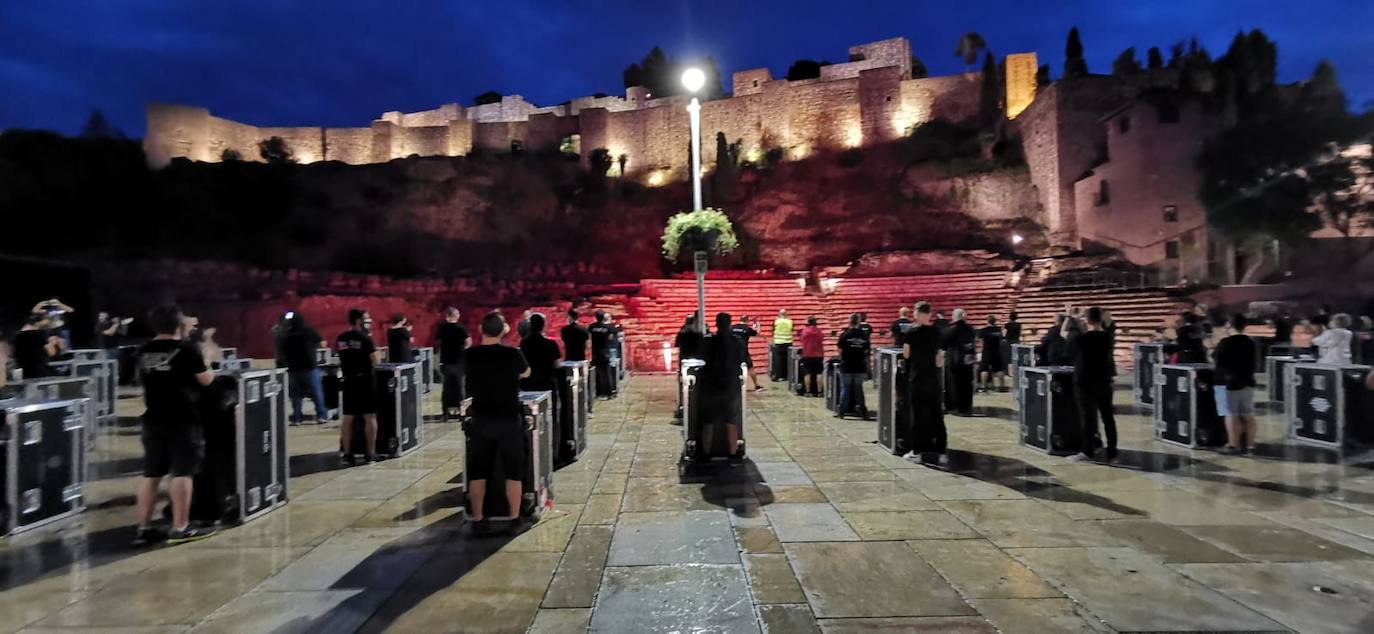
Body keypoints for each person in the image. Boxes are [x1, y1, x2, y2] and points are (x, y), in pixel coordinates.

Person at [132, 305, 216, 546]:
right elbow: (207, 380)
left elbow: (143, 378)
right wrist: (206, 357)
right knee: (182, 473)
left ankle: (144, 528)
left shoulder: (143, 350)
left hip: (152, 418)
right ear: (178, 324)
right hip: (182, 419)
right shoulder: (186, 350)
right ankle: (181, 527)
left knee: (152, 475)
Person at [464, 311, 531, 535]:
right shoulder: (512, 354)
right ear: (503, 330)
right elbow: (527, 372)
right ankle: (514, 518)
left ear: (481, 330)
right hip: (509, 419)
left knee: (478, 472)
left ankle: (478, 519)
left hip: (481, 419)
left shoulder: (470, 355)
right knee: (513, 472)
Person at [1066, 307, 1117, 462]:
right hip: (1104, 381)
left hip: (1085, 382)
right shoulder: (1108, 337)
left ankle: (1088, 451)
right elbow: (1107, 327)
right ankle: (1112, 451)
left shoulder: (1081, 339)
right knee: (1108, 417)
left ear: (1086, 320)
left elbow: (1064, 334)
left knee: (1087, 417)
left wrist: (1071, 318)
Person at [700, 312, 747, 463]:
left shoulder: (709, 341)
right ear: (729, 323)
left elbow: (702, 358)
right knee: (731, 420)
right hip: (731, 385)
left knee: (708, 421)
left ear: (716, 323)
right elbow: (742, 358)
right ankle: (732, 453)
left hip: (711, 384)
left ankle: (706, 453)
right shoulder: (737, 341)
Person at [903, 302, 946, 459]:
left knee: (918, 415)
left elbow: (906, 355)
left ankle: (917, 451)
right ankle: (941, 450)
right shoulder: (937, 332)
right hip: (933, 378)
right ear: (929, 314)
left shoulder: (911, 333)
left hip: (917, 378)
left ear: (917, 314)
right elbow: (939, 359)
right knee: (936, 415)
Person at [337, 309, 380, 465]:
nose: (368, 321)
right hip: (365, 382)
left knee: (348, 418)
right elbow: (376, 361)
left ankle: (347, 454)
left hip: (348, 381)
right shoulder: (365, 339)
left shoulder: (341, 338)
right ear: (358, 320)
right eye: (366, 318)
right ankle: (370, 453)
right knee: (369, 417)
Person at [1213, 314, 1258, 455]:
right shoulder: (1250, 342)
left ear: (1229, 325)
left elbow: (1216, 358)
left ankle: (1233, 445)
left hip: (1226, 383)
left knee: (1230, 414)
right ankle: (1250, 445)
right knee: (1248, 414)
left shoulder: (1225, 342)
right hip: (1247, 381)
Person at [282, 313, 330, 425]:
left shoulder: (288, 334)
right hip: (309, 367)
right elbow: (322, 344)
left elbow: (284, 351)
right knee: (316, 393)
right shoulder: (308, 331)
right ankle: (322, 416)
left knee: (296, 395)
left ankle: (297, 418)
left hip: (293, 368)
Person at [435, 307, 471, 421]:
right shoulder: (461, 328)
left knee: (446, 388)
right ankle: (462, 413)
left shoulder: (442, 328)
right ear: (456, 315)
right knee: (460, 387)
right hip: (459, 361)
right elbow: (468, 342)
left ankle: (445, 413)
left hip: (445, 361)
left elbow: (439, 342)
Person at [944, 309, 977, 416]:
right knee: (967, 385)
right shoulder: (971, 329)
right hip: (968, 361)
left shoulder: (950, 330)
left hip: (954, 362)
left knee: (954, 385)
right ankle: (966, 408)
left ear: (954, 317)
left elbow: (942, 343)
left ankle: (955, 407)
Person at [836, 314, 869, 418]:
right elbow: (867, 351)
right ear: (858, 322)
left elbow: (840, 351)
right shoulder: (864, 335)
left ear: (849, 321)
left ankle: (841, 412)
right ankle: (863, 412)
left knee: (845, 389)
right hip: (859, 367)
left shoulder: (844, 335)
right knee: (859, 390)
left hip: (846, 366)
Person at [12, 312, 62, 379]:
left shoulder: (16, 335)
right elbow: (51, 353)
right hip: (41, 372)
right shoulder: (41, 334)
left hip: (25, 373)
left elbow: (14, 354)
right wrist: (52, 343)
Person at [730, 315, 763, 391]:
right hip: (743, 351)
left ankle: (732, 385)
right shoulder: (747, 328)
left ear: (740, 319)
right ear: (747, 320)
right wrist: (758, 324)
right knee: (750, 368)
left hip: (733, 351)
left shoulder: (732, 327)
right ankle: (756, 385)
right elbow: (757, 333)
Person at [588, 311, 615, 397]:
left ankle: (599, 392)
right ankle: (609, 392)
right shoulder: (608, 328)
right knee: (607, 373)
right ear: (603, 317)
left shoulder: (592, 327)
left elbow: (589, 338)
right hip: (605, 352)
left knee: (597, 373)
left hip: (595, 352)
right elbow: (611, 338)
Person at [977, 315, 1005, 392]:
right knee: (999, 369)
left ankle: (983, 387)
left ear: (987, 321)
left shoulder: (984, 330)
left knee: (984, 369)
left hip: (987, 352)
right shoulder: (998, 330)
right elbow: (1001, 339)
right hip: (996, 351)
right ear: (994, 321)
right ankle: (1002, 386)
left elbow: (980, 340)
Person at [798, 316, 825, 396]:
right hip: (818, 354)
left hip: (807, 354)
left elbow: (801, 340)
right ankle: (819, 392)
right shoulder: (819, 331)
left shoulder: (804, 331)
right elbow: (822, 339)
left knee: (807, 373)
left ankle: (807, 391)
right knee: (819, 373)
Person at [770, 309, 794, 381]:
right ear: (786, 314)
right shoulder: (790, 321)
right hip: (788, 342)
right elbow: (792, 329)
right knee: (787, 360)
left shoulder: (776, 321)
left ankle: (778, 375)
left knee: (778, 360)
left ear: (779, 314)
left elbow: (773, 330)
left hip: (778, 342)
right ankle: (786, 375)